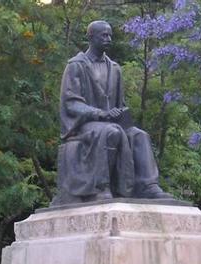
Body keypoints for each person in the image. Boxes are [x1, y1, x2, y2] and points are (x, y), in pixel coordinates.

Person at [53, 20, 174, 205]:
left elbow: (120, 103)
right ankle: (101, 187)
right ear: (91, 37)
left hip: (112, 121)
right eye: (104, 35)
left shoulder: (115, 68)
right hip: (84, 124)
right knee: (111, 132)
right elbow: (71, 103)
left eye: (110, 35)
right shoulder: (75, 65)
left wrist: (119, 113)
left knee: (140, 135)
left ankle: (148, 185)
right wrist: (100, 114)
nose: (108, 39)